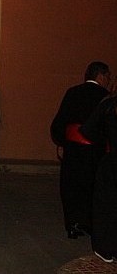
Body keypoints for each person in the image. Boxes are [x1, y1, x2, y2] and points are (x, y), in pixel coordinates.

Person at [50, 61, 111, 239]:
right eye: (107, 76)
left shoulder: (73, 92)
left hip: (73, 149)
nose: (108, 80)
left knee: (71, 186)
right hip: (95, 151)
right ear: (100, 76)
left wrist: (61, 142)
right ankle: (89, 224)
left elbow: (60, 121)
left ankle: (72, 224)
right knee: (92, 188)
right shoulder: (105, 97)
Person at [81, 92, 117, 263]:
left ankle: (106, 248)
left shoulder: (109, 105)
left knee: (106, 205)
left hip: (112, 161)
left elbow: (88, 130)